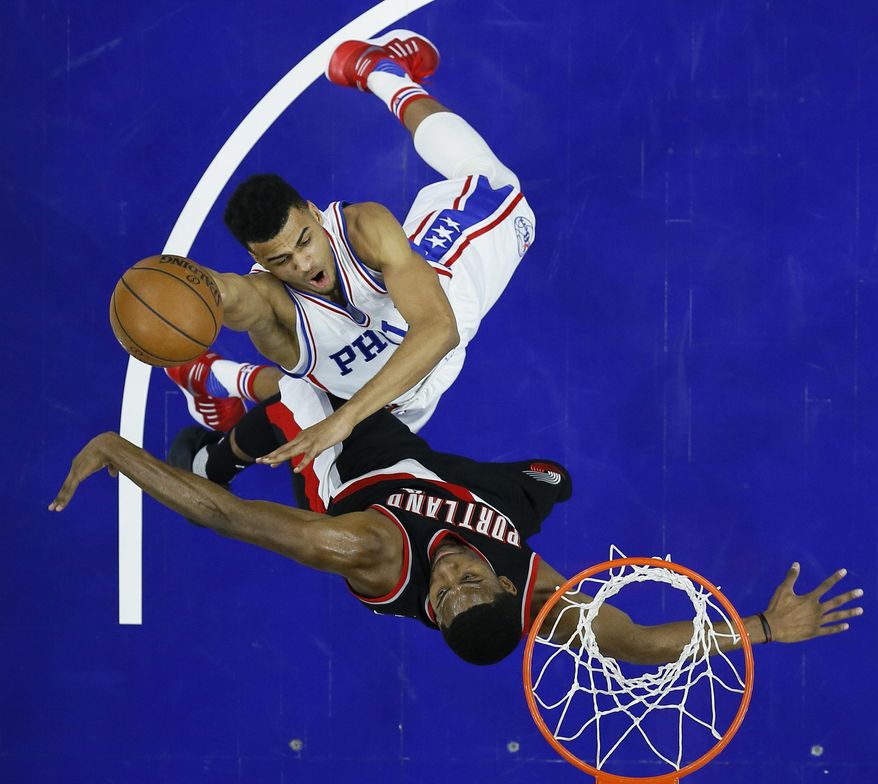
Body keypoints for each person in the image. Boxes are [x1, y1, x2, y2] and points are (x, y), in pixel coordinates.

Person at [50, 378, 863, 665]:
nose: (454, 573)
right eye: (475, 578)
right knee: (554, 480)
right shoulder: (529, 595)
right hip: (459, 488)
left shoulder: (367, 551)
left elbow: (226, 520)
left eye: (447, 592)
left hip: (364, 467)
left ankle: (216, 435)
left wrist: (117, 449)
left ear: (432, 611)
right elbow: (642, 643)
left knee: (309, 382)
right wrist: (764, 629)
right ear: (507, 591)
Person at [164, 29, 536, 474]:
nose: (303, 264)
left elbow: (440, 329)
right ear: (259, 262)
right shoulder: (269, 302)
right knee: (301, 424)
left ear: (314, 213)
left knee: (498, 187)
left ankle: (379, 71)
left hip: (436, 317)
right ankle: (209, 408)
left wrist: (347, 417)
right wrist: (169, 292)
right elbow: (220, 293)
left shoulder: (362, 228)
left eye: (304, 240)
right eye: (281, 260)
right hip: (369, 408)